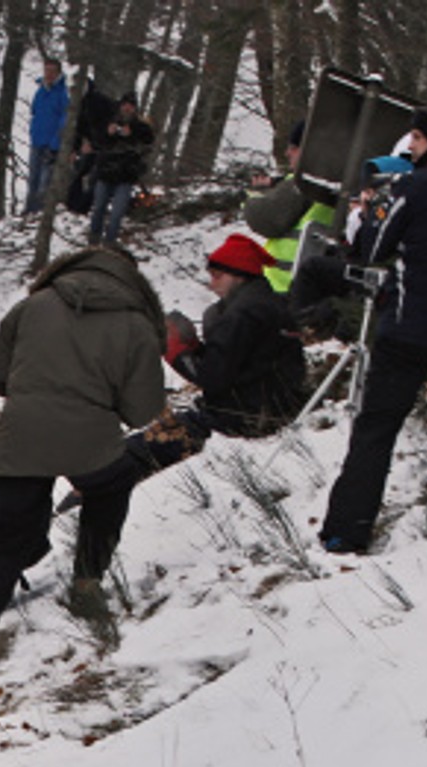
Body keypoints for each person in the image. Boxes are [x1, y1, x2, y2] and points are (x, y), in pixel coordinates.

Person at [0, 245, 166, 673]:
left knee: (2, 538)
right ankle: (86, 581)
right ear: (130, 277)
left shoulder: (32, 306)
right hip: (92, 435)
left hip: (21, 434)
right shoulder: (137, 323)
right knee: (112, 483)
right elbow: (142, 411)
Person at [61, 234, 307, 612]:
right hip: (264, 406)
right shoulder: (266, 304)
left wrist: (178, 353)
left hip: (241, 417)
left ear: (237, 274)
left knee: (140, 451)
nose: (211, 283)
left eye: (217, 275)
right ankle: (87, 489)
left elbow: (213, 376)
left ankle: (86, 496)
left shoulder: (242, 314)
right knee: (149, 440)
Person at [319, 107, 427, 554]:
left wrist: (368, 212)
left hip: (411, 327)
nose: (410, 148)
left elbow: (372, 246)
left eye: (417, 139)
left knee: (377, 428)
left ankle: (345, 530)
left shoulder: (414, 187)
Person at [242, 120, 338, 298]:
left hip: (282, 285)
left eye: (294, 147)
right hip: (309, 286)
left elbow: (265, 218)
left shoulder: (305, 181)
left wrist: (258, 193)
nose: (287, 153)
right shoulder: (340, 183)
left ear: (309, 150)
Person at [87, 93, 153, 244]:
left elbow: (148, 141)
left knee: (117, 213)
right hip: (105, 173)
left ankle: (109, 242)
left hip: (126, 176)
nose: (127, 108)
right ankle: (93, 240)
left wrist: (131, 134)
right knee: (98, 209)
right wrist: (108, 133)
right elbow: (97, 142)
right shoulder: (109, 120)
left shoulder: (140, 125)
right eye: (125, 104)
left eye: (131, 105)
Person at [24, 57, 68, 215]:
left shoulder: (63, 93)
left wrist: (56, 141)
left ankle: (40, 212)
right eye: (46, 70)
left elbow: (65, 118)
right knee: (33, 179)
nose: (48, 74)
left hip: (52, 143)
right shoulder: (41, 90)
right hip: (37, 140)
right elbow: (35, 112)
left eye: (52, 71)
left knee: (45, 182)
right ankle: (29, 210)